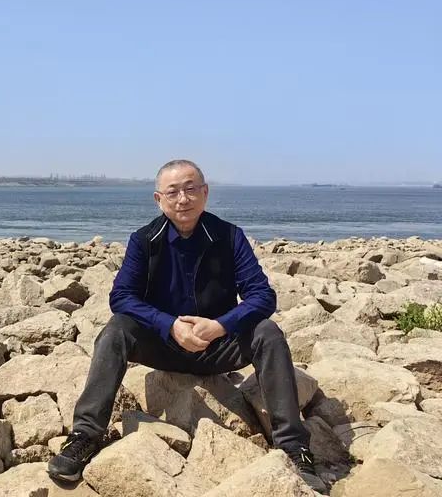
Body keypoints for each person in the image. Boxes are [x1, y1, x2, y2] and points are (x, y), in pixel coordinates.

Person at [47, 159, 327, 494]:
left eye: (191, 189)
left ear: (205, 193)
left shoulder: (230, 236)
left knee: (268, 332)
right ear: (159, 199)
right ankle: (84, 436)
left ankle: (294, 447)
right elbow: (121, 297)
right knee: (116, 330)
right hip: (164, 346)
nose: (183, 199)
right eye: (173, 192)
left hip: (218, 346)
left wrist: (220, 326)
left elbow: (263, 296)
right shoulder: (144, 240)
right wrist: (169, 326)